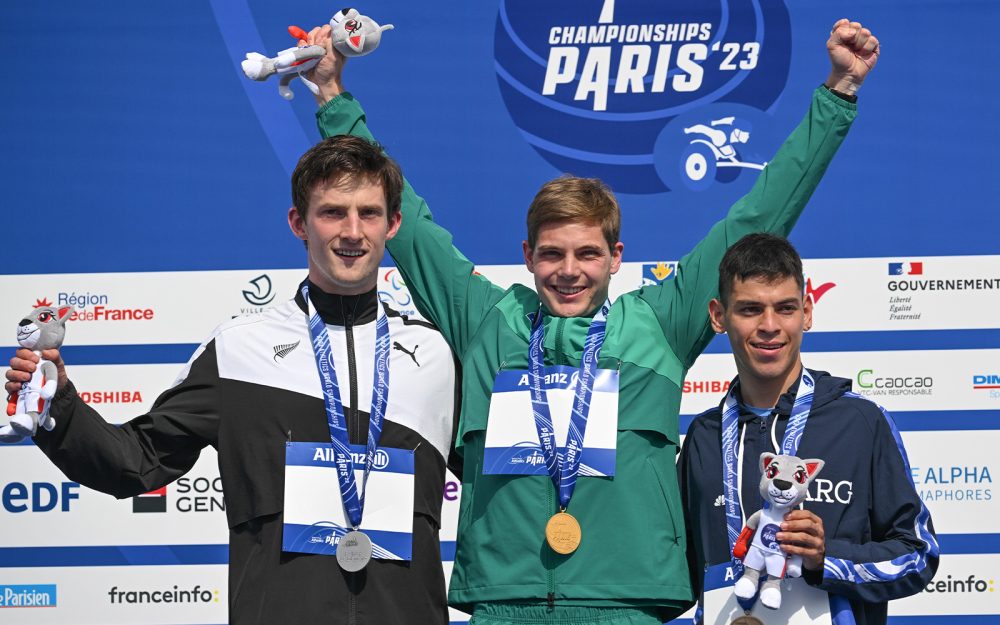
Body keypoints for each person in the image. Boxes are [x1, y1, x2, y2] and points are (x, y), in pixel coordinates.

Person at [307, 17, 878, 625]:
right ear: (528, 257)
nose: (569, 271)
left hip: (628, 603)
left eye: (587, 254)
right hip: (506, 602)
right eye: (552, 254)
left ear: (616, 258)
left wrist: (838, 92)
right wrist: (332, 97)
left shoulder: (658, 324)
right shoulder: (489, 321)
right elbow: (410, 224)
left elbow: (759, 214)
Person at [4, 136, 460, 624]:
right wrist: (60, 405)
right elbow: (136, 462)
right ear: (298, 223)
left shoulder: (438, 354)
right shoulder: (240, 348)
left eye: (368, 213)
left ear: (393, 224)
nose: (353, 231)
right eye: (332, 212)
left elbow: (501, 484)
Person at [678, 233, 938, 625]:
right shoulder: (704, 436)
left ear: (807, 311)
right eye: (750, 310)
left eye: (785, 308)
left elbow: (918, 556)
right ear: (718, 316)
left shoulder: (860, 422)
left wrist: (826, 557)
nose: (769, 326)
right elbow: (674, 571)